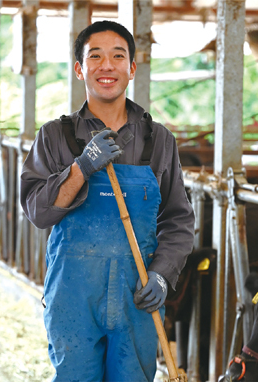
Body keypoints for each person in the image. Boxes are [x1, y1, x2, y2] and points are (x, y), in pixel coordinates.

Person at [20, 20, 195, 382]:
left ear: (131, 68)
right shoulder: (55, 136)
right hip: (74, 297)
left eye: (118, 56)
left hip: (137, 296)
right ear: (79, 68)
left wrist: (162, 276)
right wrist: (81, 168)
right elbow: (38, 211)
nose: (107, 66)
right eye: (95, 56)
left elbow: (178, 220)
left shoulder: (157, 140)